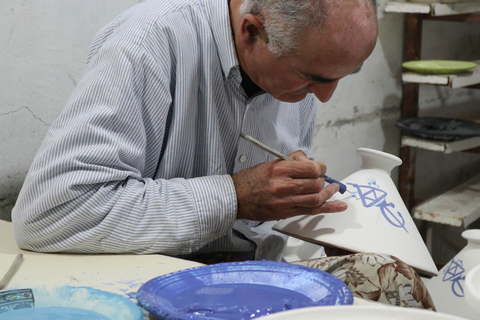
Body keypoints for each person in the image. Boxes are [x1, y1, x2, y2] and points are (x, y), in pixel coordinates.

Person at [11, 0, 436, 309]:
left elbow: (265, 235)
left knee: (394, 282)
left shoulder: (294, 70)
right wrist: (233, 197)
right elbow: (50, 212)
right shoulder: (150, 41)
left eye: (342, 77)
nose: (324, 98)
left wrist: (316, 220)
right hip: (150, 281)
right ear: (250, 31)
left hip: (250, 278)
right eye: (314, 79)